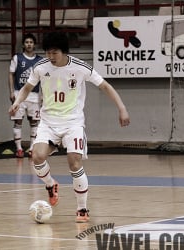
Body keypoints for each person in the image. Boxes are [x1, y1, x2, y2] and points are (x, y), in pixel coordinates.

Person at [9, 32, 130, 223]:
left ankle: (82, 209)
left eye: (54, 52)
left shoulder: (80, 67)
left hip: (73, 123)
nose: (50, 56)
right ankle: (50, 185)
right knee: (37, 156)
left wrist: (122, 108)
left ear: (64, 51)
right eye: (48, 52)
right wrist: (17, 102)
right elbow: (27, 88)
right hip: (48, 122)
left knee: (74, 162)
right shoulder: (40, 67)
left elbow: (105, 86)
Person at [8, 33, 42, 158]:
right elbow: (11, 74)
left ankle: (32, 148)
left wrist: (42, 94)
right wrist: (11, 91)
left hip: (34, 95)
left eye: (31, 42)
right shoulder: (17, 58)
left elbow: (43, 79)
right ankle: (19, 149)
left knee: (34, 123)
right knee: (18, 122)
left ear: (34, 44)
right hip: (19, 94)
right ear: (23, 44)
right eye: (27, 42)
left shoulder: (40, 60)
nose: (29, 44)